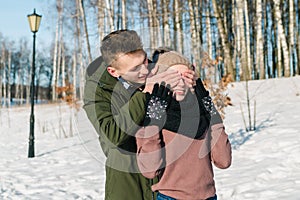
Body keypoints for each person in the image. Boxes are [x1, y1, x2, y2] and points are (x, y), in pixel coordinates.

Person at [83, 30, 195, 200]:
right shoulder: (98, 90)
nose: (145, 70)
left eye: (144, 60)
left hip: (168, 180)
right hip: (127, 180)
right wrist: (145, 94)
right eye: (135, 68)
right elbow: (112, 134)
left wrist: (189, 85)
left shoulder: (156, 69)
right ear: (114, 72)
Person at [136, 51, 232, 200]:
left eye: (185, 76)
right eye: (173, 77)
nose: (180, 83)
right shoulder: (155, 116)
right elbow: (149, 170)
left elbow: (224, 161)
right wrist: (153, 122)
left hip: (208, 197)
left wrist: (209, 108)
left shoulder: (203, 113)